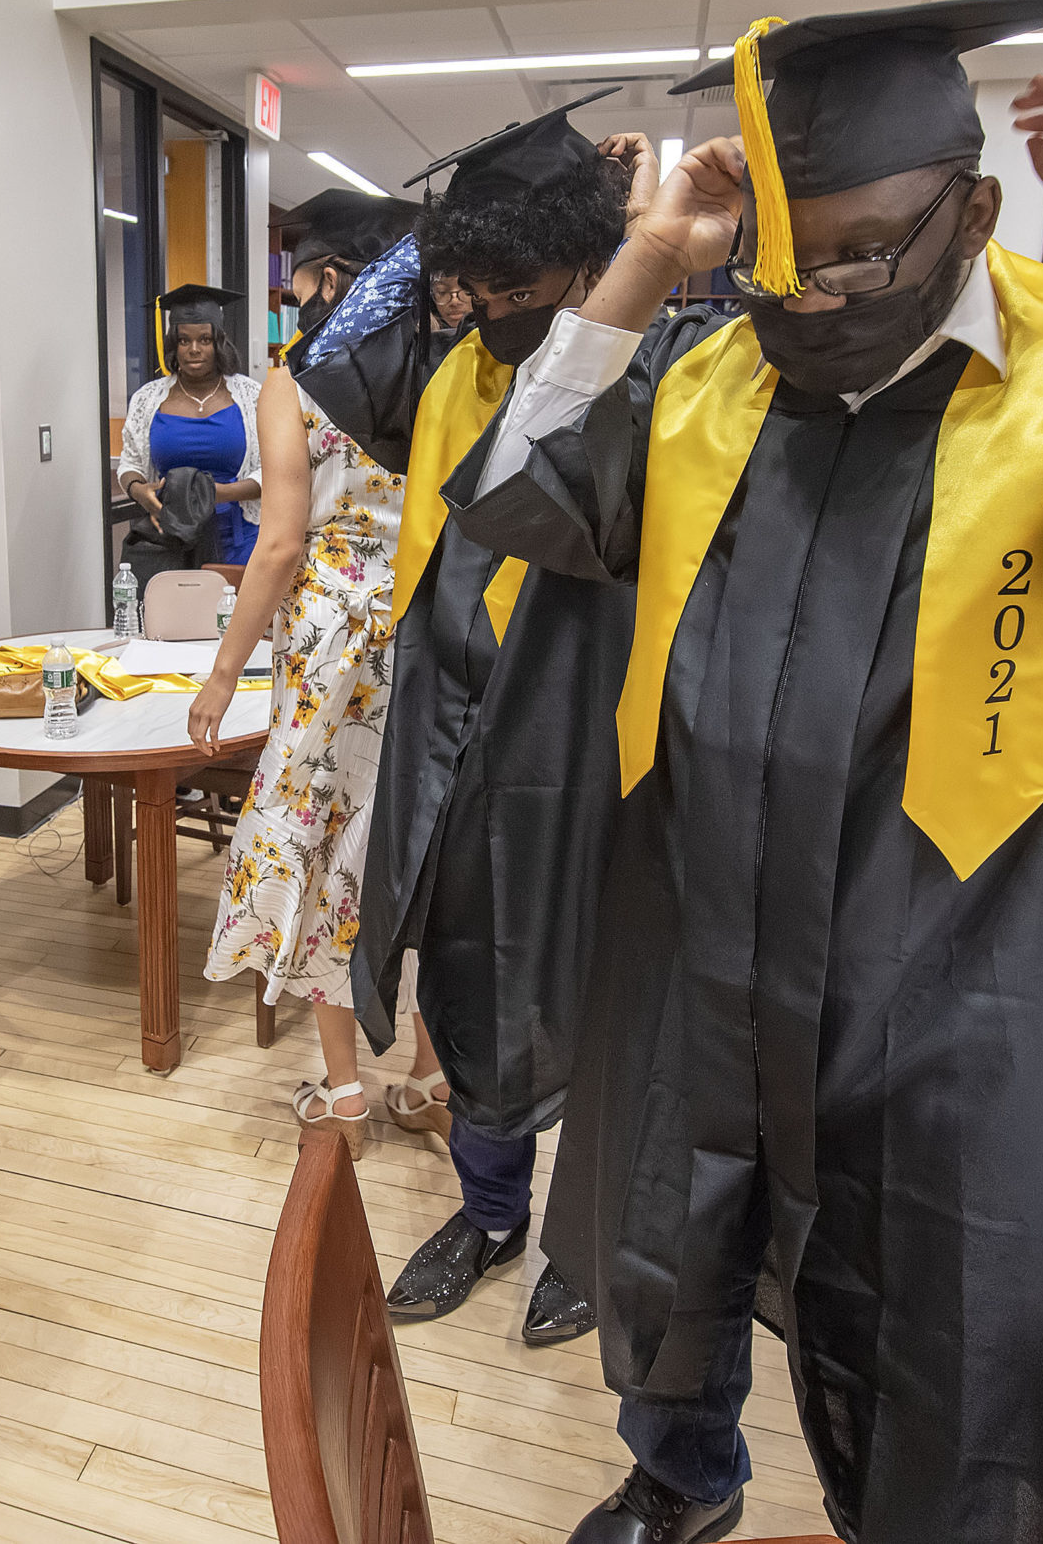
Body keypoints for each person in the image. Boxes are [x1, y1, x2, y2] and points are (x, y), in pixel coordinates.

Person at [447, 0, 1043, 1544]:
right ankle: (683, 1474)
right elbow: (515, 492)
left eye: (851, 254)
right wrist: (649, 264)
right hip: (698, 945)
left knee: (946, 1335)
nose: (811, 294)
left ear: (972, 208)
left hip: (940, 976)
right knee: (671, 1240)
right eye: (778, 256)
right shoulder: (716, 383)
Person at [290, 93, 659, 1349]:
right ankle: (493, 1214)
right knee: (472, 989)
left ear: (590, 261)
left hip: (598, 746)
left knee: (602, 1002)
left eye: (521, 281)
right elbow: (335, 352)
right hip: (447, 738)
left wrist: (635, 251)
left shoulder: (667, 367)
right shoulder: (449, 372)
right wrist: (431, 238)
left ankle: (583, 1246)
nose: (495, 308)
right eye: (475, 285)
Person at [190, 193, 448, 1155]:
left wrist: (223, 674)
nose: (288, 292)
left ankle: (345, 1088)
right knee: (419, 850)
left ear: (332, 279)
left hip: (334, 647)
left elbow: (281, 542)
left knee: (323, 842)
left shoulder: (296, 381)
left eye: (295, 275)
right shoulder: (446, 370)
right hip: (429, 626)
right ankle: (429, 1078)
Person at [118, 284, 262, 577]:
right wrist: (140, 491)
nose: (194, 349)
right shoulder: (148, 398)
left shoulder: (252, 396)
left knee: (233, 620)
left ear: (218, 342)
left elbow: (271, 470)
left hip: (238, 539)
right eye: (184, 340)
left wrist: (216, 494)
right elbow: (130, 464)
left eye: (205, 339)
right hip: (170, 537)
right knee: (174, 621)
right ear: (174, 345)